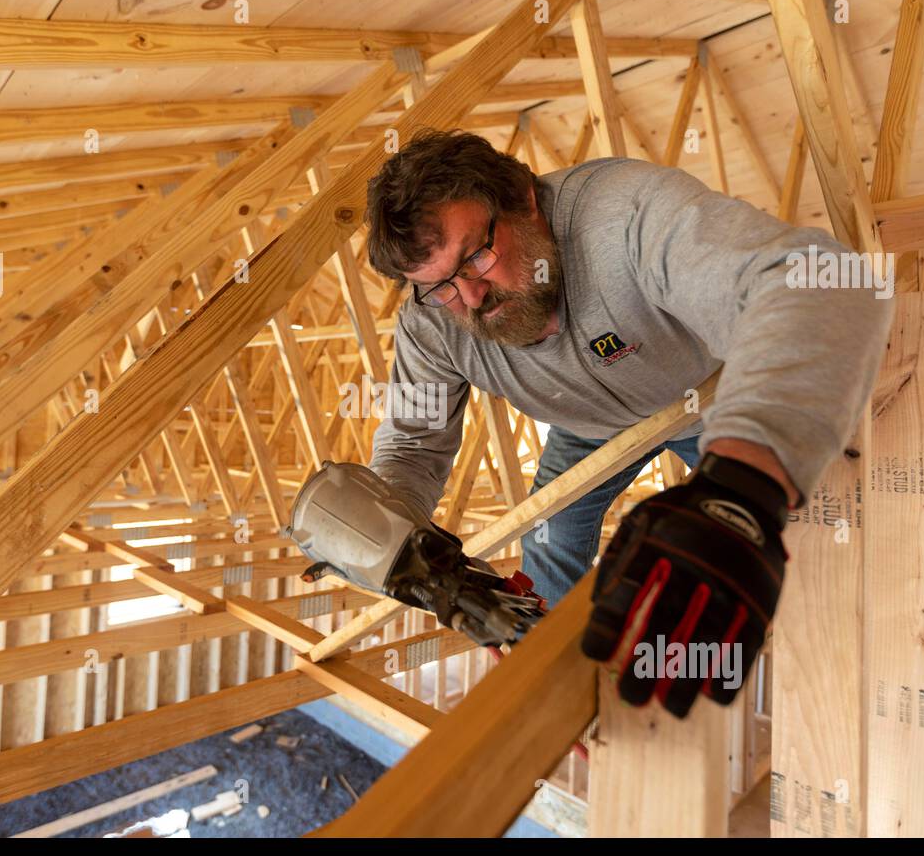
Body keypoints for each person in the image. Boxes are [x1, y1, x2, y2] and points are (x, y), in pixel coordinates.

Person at [358, 129, 894, 717]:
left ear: (522, 197)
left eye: (477, 256)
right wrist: (388, 535)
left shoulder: (625, 215)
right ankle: (566, 688)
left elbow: (822, 281)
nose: (473, 296)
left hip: (711, 398)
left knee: (788, 538)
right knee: (550, 543)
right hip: (586, 427)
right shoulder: (432, 324)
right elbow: (411, 445)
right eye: (439, 288)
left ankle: (764, 655)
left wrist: (741, 489)